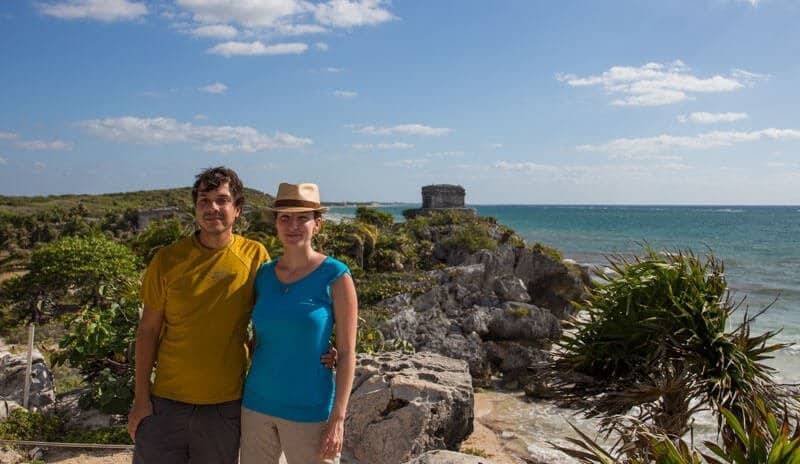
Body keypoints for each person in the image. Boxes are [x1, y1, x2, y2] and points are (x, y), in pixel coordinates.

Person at [127, 168, 332, 464]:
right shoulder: (167, 259)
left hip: (225, 408)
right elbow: (147, 331)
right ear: (195, 208)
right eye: (204, 200)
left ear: (237, 209)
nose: (212, 208)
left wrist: (323, 347)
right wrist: (141, 399)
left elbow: (281, 316)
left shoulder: (255, 256)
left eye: (222, 200)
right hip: (165, 404)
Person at [240, 183, 358, 464]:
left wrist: (338, 418)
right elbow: (260, 337)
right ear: (276, 225)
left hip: (311, 411)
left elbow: (347, 352)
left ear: (317, 224)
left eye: (302, 217)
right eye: (285, 218)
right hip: (256, 404)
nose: (293, 225)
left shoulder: (336, 275)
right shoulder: (264, 275)